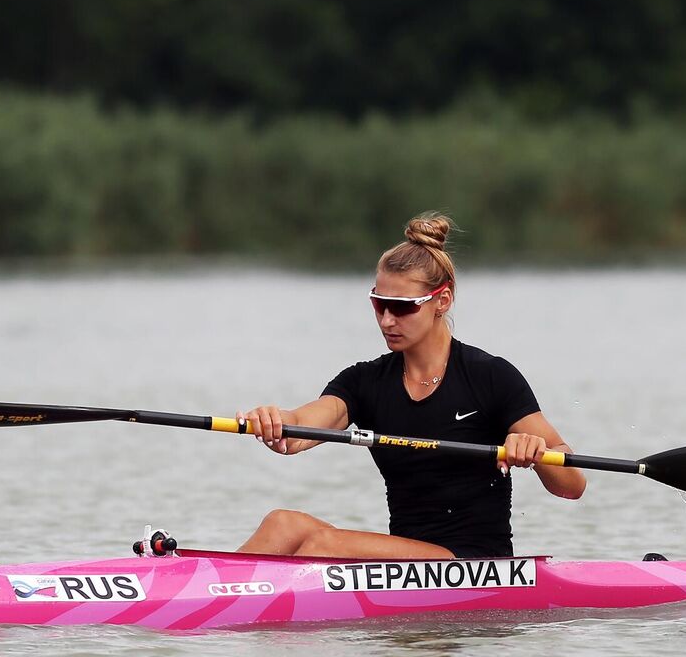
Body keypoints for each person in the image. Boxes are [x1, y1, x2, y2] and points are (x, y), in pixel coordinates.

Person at [238, 213, 585, 559]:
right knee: (281, 524)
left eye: (401, 308)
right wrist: (274, 420)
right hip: (405, 560)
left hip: (471, 563)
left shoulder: (490, 376)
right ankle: (206, 595)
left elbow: (572, 487)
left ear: (442, 301)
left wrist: (536, 452)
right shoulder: (364, 381)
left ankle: (244, 607)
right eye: (379, 304)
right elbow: (300, 430)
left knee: (324, 547)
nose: (387, 320)